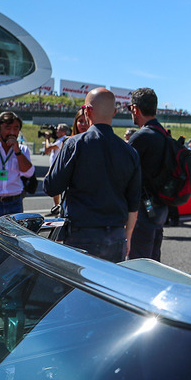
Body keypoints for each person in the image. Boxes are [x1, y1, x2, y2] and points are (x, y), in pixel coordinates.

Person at [43, 88, 141, 262]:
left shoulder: (75, 144)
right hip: (116, 234)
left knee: (79, 286)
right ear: (115, 112)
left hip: (82, 234)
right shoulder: (130, 152)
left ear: (87, 110)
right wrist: (128, 237)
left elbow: (52, 187)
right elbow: (133, 204)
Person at [127, 88, 169, 261]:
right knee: (153, 259)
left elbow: (126, 174)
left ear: (135, 109)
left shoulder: (140, 137)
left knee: (139, 261)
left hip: (142, 209)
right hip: (159, 206)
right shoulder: (164, 134)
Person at [44, 123, 70, 207]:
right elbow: (46, 151)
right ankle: (57, 205)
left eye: (58, 129)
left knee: (56, 187)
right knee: (54, 186)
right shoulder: (58, 140)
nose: (56, 131)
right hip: (53, 166)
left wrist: (47, 138)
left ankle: (59, 205)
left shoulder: (63, 140)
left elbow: (48, 148)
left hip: (58, 168)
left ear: (63, 131)